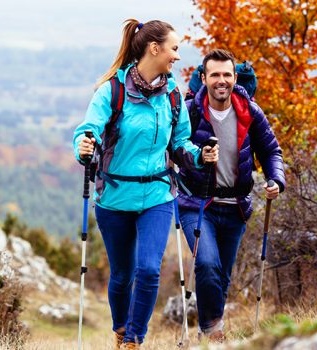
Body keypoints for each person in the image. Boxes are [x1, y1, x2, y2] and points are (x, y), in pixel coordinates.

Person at [73, 19, 214, 349]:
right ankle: (121, 330)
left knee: (149, 270)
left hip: (157, 195)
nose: (177, 57)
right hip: (115, 198)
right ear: (155, 49)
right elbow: (87, 130)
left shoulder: (173, 94)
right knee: (122, 276)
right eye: (174, 49)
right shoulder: (113, 90)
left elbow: (180, 142)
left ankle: (134, 341)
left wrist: (199, 155)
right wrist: (82, 145)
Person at [177, 49, 286, 342]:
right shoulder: (190, 111)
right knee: (207, 264)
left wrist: (276, 179)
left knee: (221, 277)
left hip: (236, 206)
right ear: (204, 78)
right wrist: (197, 156)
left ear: (235, 78)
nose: (221, 81)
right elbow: (175, 150)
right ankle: (214, 332)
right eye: (214, 75)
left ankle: (206, 332)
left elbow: (271, 151)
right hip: (197, 203)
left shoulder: (250, 111)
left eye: (227, 74)